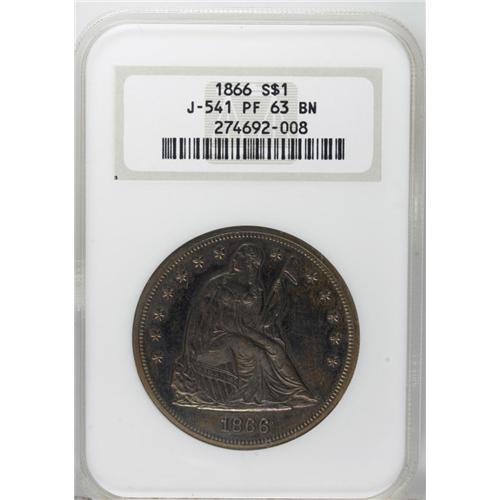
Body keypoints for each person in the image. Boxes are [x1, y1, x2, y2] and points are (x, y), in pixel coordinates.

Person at [171, 243, 317, 409]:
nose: (236, 261)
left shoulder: (255, 289)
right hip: (213, 337)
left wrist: (264, 305)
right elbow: (204, 317)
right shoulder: (218, 284)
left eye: (243, 259)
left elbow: (256, 322)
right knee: (254, 351)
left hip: (241, 332)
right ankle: (246, 397)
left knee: (276, 349)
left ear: (253, 265)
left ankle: (295, 393)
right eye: (237, 257)